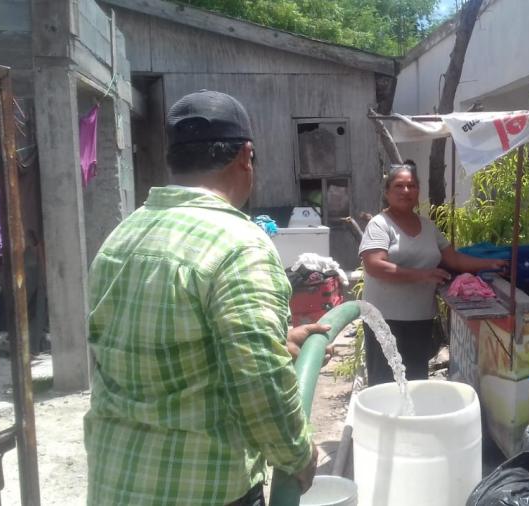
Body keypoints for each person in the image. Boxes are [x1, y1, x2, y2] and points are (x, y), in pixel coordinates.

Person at [85, 90, 324, 506]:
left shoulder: (121, 237)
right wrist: (298, 455)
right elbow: (258, 380)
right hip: (205, 490)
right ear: (245, 156)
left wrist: (278, 341)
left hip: (115, 483)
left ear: (173, 160)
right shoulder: (239, 243)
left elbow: (147, 353)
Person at [358, 162, 507, 384]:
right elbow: (374, 265)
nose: (406, 191)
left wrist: (491, 263)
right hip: (384, 320)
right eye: (399, 186)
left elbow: (454, 259)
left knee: (416, 382)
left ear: (418, 191)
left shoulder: (428, 227)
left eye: (412, 185)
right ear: (387, 192)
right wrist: (422, 275)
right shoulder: (380, 225)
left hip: (420, 318)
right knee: (384, 385)